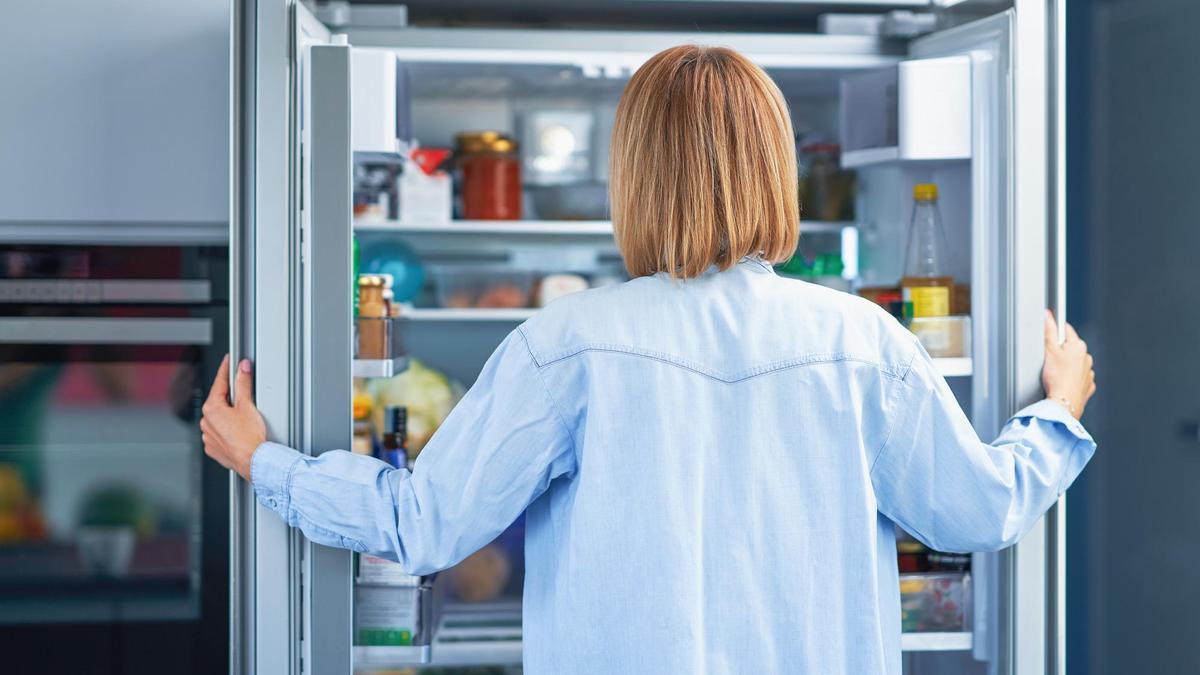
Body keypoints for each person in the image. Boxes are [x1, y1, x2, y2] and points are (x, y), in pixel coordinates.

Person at [200, 45, 1097, 674]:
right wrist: (1055, 413)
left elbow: (421, 526)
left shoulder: (564, 345)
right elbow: (981, 510)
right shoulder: (865, 341)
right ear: (773, 171)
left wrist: (262, 459)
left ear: (636, 176)